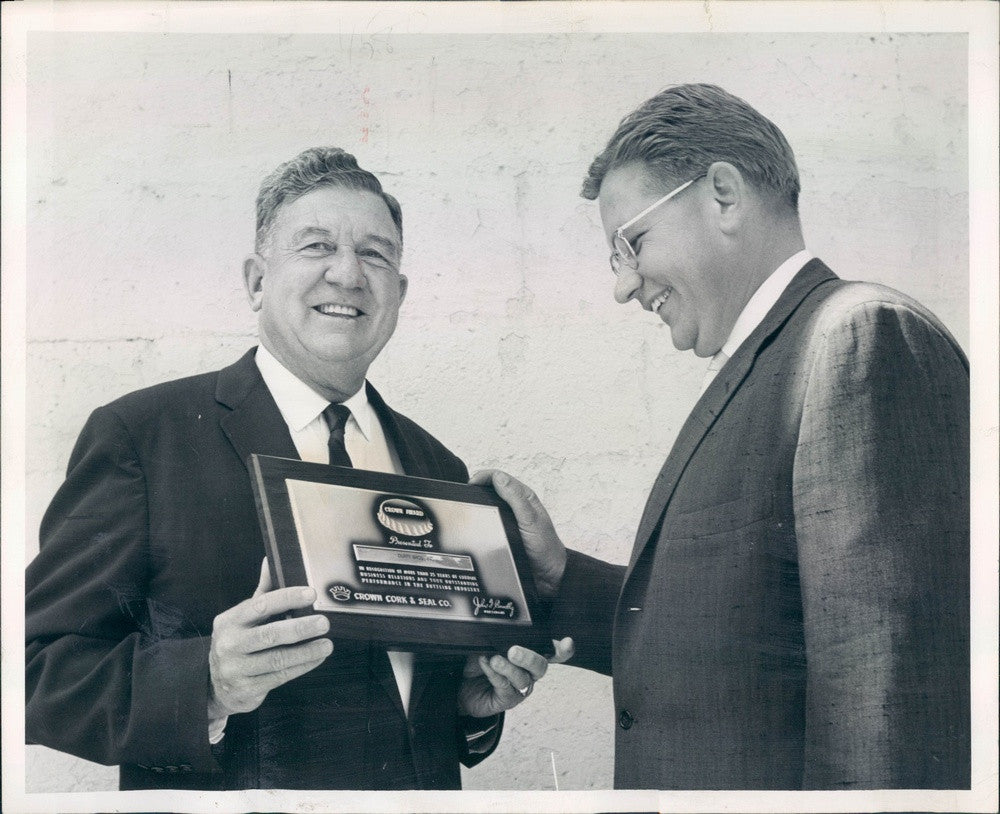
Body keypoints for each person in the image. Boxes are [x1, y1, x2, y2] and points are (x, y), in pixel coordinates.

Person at [26, 146, 570, 791]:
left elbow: (423, 705)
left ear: (399, 291)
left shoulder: (439, 469)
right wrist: (205, 682)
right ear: (256, 280)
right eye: (316, 246)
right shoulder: (144, 438)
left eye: (375, 253)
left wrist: (464, 706)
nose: (348, 273)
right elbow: (37, 671)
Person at [474, 84, 970, 790]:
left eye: (631, 242)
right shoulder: (778, 360)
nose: (622, 286)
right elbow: (738, 638)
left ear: (724, 195)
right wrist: (558, 579)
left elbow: (884, 703)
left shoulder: (856, 340)